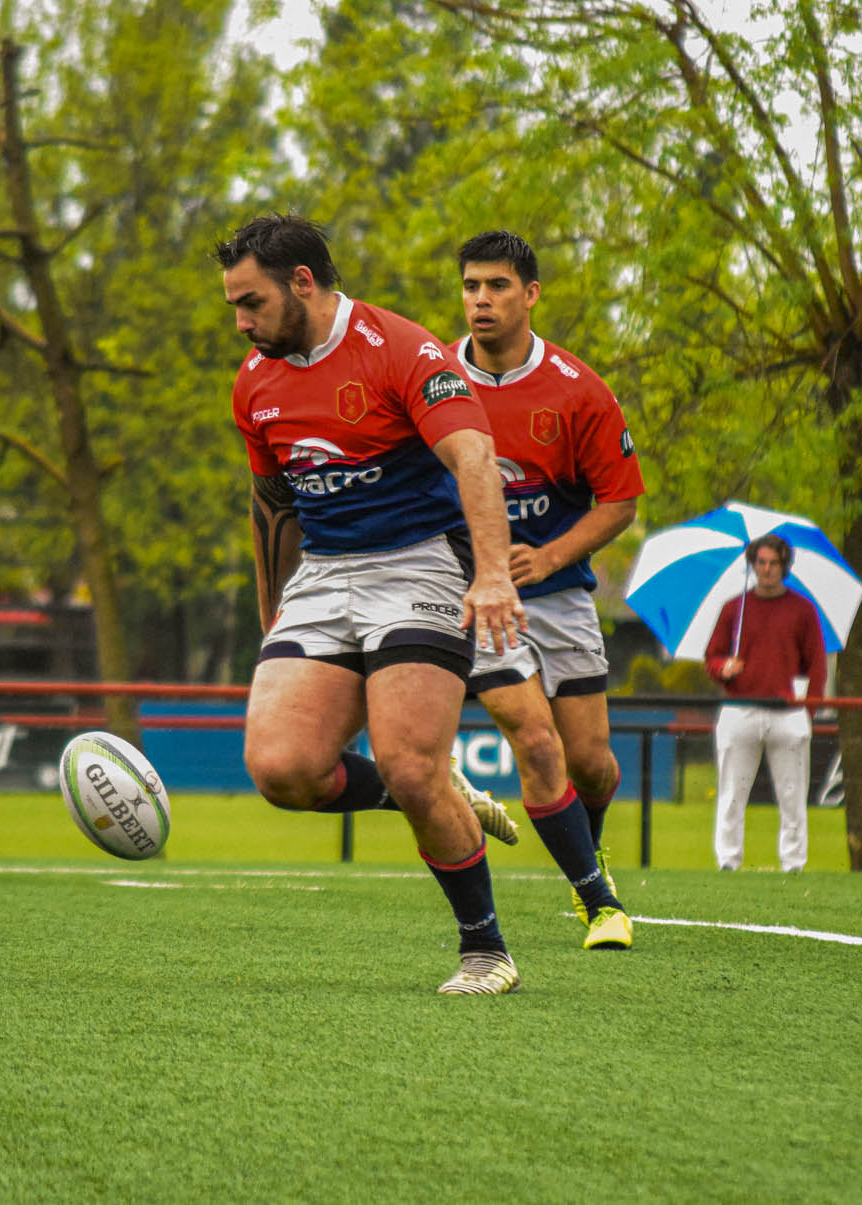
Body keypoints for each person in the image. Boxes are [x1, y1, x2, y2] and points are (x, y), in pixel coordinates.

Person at [222, 213, 530, 995]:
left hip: (421, 561)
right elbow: (272, 505)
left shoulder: (402, 349)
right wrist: (275, 624)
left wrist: (491, 572)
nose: (242, 321)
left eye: (251, 302)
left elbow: (474, 455)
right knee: (281, 769)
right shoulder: (254, 382)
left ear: (302, 282)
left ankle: (486, 951)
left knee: (407, 756)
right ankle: (420, 787)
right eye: (234, 305)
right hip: (325, 573)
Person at [449, 230, 643, 948]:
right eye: (471, 286)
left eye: (497, 286)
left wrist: (550, 554)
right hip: (478, 599)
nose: (481, 300)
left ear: (530, 294)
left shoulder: (577, 389)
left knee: (592, 763)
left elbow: (620, 499)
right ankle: (600, 901)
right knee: (535, 742)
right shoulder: (435, 380)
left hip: (560, 597)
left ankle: (582, 861)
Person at [704, 534, 826, 872]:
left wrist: (808, 711)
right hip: (739, 709)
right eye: (761, 562)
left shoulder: (802, 609)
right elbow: (712, 657)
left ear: (784, 565)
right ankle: (728, 860)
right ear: (752, 564)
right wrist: (723, 669)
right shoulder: (734, 609)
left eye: (773, 563)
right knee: (731, 793)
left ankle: (793, 863)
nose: (767, 569)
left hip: (788, 713)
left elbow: (817, 665)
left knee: (792, 796)